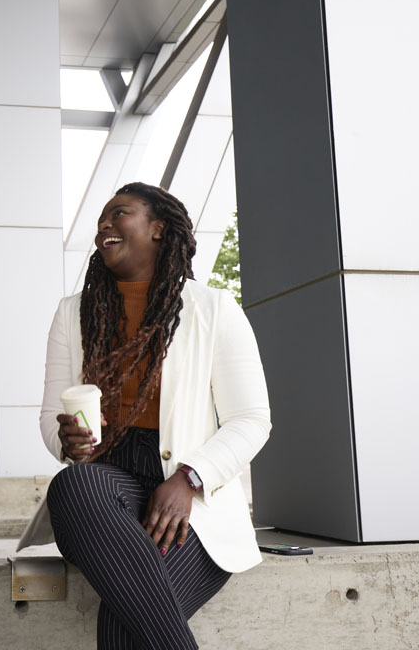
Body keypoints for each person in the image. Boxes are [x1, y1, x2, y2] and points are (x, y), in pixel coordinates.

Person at [38, 182, 271, 650]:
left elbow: (251, 420)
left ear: (159, 229)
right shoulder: (72, 314)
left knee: (122, 629)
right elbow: (50, 418)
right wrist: (68, 441)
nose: (105, 224)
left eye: (119, 213)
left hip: (193, 502)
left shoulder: (214, 309)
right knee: (72, 483)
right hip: (106, 488)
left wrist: (189, 479)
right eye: (101, 218)